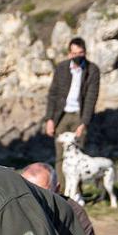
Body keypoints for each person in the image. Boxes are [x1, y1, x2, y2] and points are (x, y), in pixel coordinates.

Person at [45, 37, 100, 182]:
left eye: (81, 53)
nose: (78, 56)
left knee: (78, 153)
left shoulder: (92, 70)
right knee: (60, 155)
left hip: (79, 115)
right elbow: (53, 94)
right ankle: (62, 191)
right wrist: (49, 119)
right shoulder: (61, 68)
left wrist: (84, 123)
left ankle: (77, 193)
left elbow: (91, 98)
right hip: (61, 115)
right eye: (74, 53)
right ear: (69, 54)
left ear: (85, 52)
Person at [20, 162, 98, 235]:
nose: (34, 200)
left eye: (42, 194)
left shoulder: (73, 212)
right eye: (27, 193)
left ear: (57, 189)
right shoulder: (11, 209)